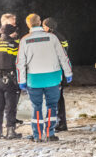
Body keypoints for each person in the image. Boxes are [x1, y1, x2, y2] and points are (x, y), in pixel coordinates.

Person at [16, 14, 73, 142]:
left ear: (28, 24)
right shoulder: (52, 38)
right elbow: (63, 57)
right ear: (40, 22)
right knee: (52, 106)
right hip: (53, 78)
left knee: (36, 106)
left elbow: (20, 63)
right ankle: (49, 133)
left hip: (34, 79)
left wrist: (22, 81)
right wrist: (68, 73)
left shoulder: (25, 40)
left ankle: (37, 135)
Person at [42, 17, 69, 131]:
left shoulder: (53, 38)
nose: (43, 28)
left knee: (56, 98)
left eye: (44, 26)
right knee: (58, 98)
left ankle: (59, 122)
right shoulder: (60, 37)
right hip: (59, 71)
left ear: (49, 27)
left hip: (55, 72)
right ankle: (60, 122)